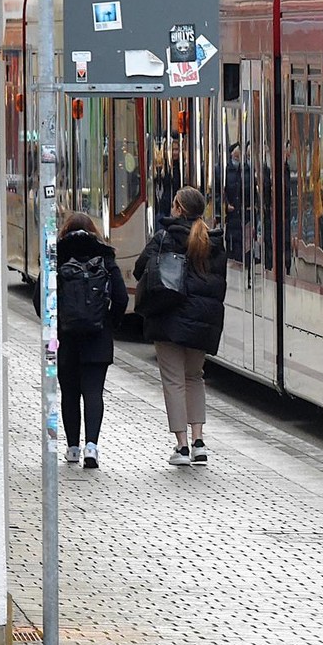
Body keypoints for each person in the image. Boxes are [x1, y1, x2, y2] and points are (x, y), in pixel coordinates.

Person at [134, 186, 227, 465]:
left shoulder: (165, 237)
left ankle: (182, 446)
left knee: (174, 382)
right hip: (201, 323)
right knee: (194, 378)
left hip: (168, 319)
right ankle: (199, 442)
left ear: (177, 208)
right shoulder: (213, 241)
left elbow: (141, 268)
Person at [37, 212, 128, 469]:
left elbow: (40, 299)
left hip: (64, 339)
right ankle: (92, 447)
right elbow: (121, 297)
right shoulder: (105, 256)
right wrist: (109, 323)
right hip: (98, 337)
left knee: (69, 393)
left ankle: (72, 448)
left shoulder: (57, 255)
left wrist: (53, 325)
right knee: (93, 392)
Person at [152, 133, 183, 234]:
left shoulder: (182, 168)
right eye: (172, 150)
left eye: (176, 149)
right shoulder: (161, 167)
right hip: (163, 206)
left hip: (178, 206)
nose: (174, 153)